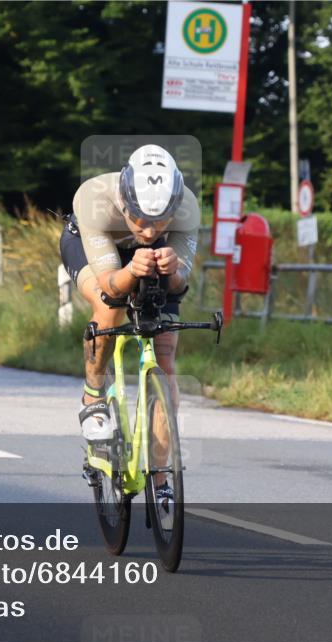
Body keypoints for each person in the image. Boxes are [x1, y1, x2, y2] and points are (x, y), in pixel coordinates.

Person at [60, 144, 200, 499]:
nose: (150, 230)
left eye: (160, 220)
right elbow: (109, 284)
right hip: (95, 249)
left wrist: (172, 270)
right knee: (110, 310)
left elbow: (180, 284)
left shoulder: (188, 208)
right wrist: (130, 270)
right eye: (140, 218)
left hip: (152, 264)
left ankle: (161, 480)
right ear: (125, 203)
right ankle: (92, 397)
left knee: (166, 357)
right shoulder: (95, 197)